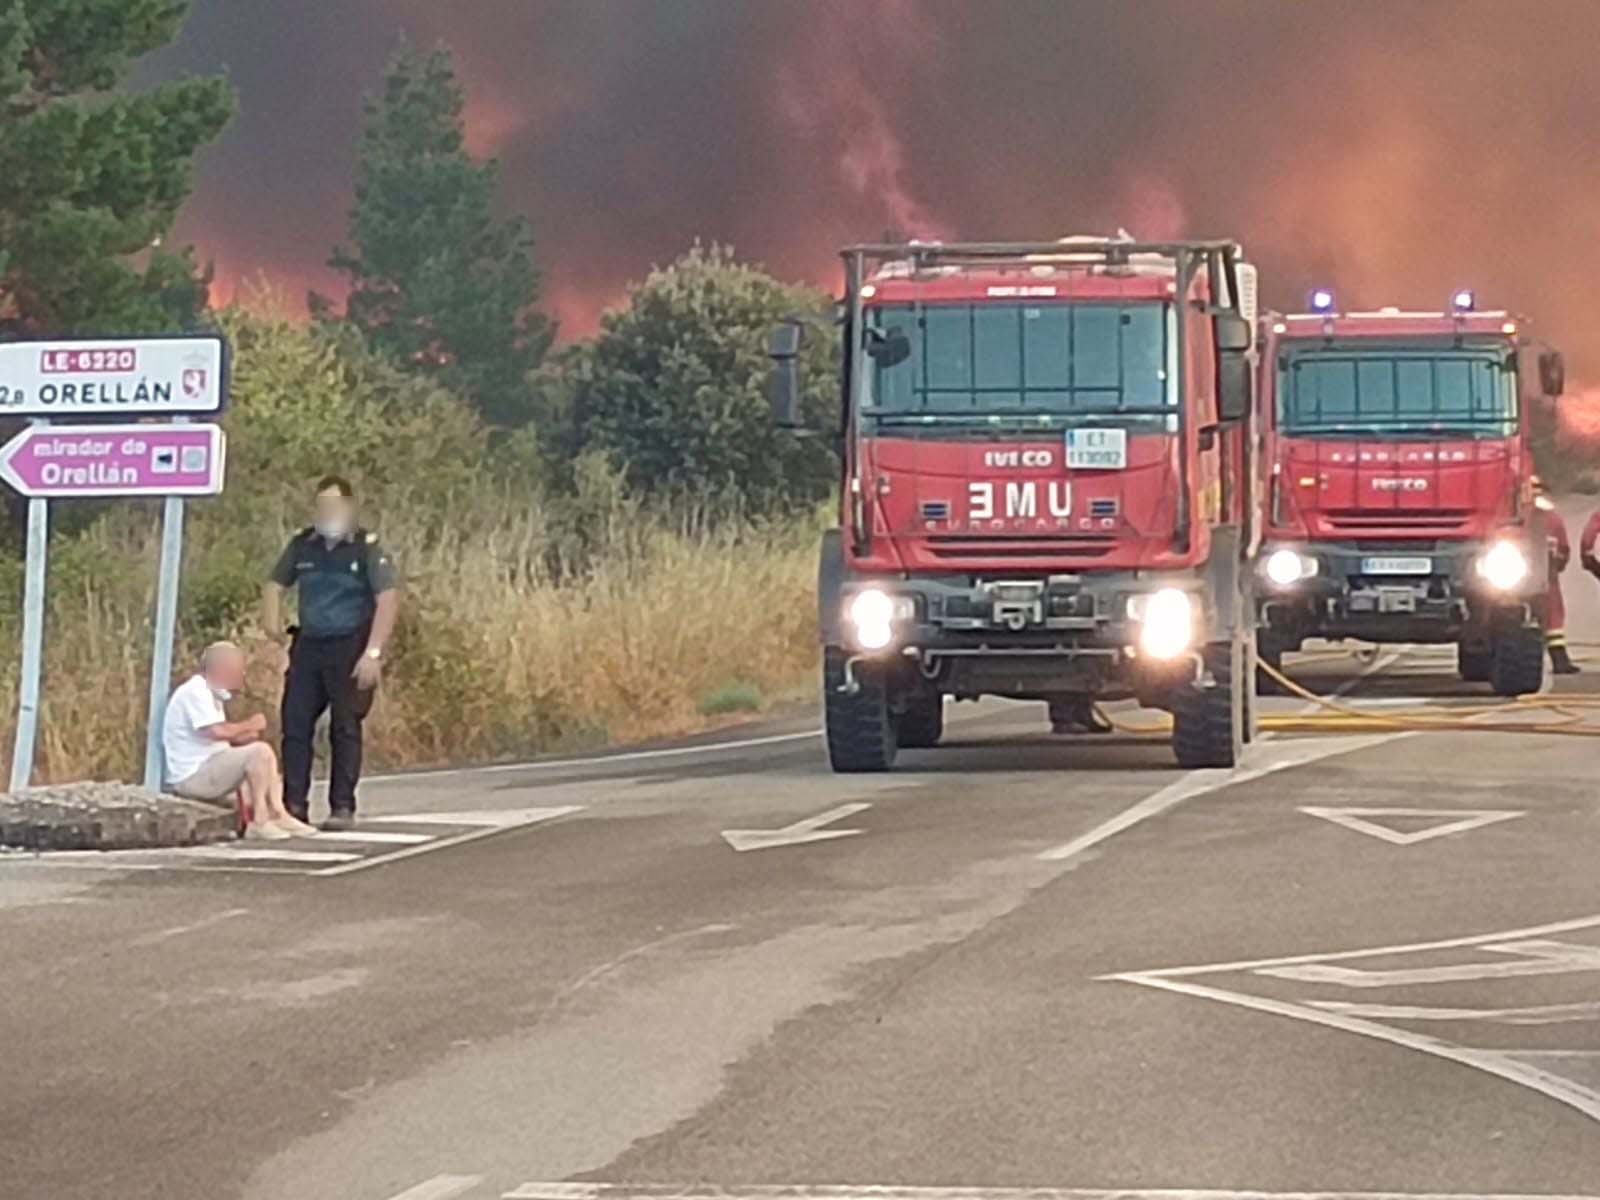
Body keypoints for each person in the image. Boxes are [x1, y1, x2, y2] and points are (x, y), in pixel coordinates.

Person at [262, 475, 398, 831]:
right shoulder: (302, 545)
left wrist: (373, 652)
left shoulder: (366, 548)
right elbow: (275, 583)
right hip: (309, 644)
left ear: (350, 507)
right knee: (295, 722)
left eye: (335, 505)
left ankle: (342, 806)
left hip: (350, 643)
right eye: (322, 505)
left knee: (345, 725)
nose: (328, 512)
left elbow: (387, 599)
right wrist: (272, 623)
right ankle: (294, 805)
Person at [162, 642, 317, 839]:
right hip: (193, 775)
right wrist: (250, 725)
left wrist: (243, 736)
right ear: (221, 669)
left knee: (265, 757)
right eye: (237, 670)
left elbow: (214, 736)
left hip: (208, 766)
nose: (241, 675)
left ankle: (278, 813)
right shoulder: (196, 691)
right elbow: (215, 731)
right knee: (259, 753)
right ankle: (260, 820)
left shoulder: (212, 696)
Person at [1537, 485, 1579, 674]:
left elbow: (1563, 549)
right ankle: (1559, 659)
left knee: (1552, 615)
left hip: (1541, 572)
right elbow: (1563, 549)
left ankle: (1558, 658)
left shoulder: (1547, 518)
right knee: (1552, 615)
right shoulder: (1550, 518)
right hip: (1544, 573)